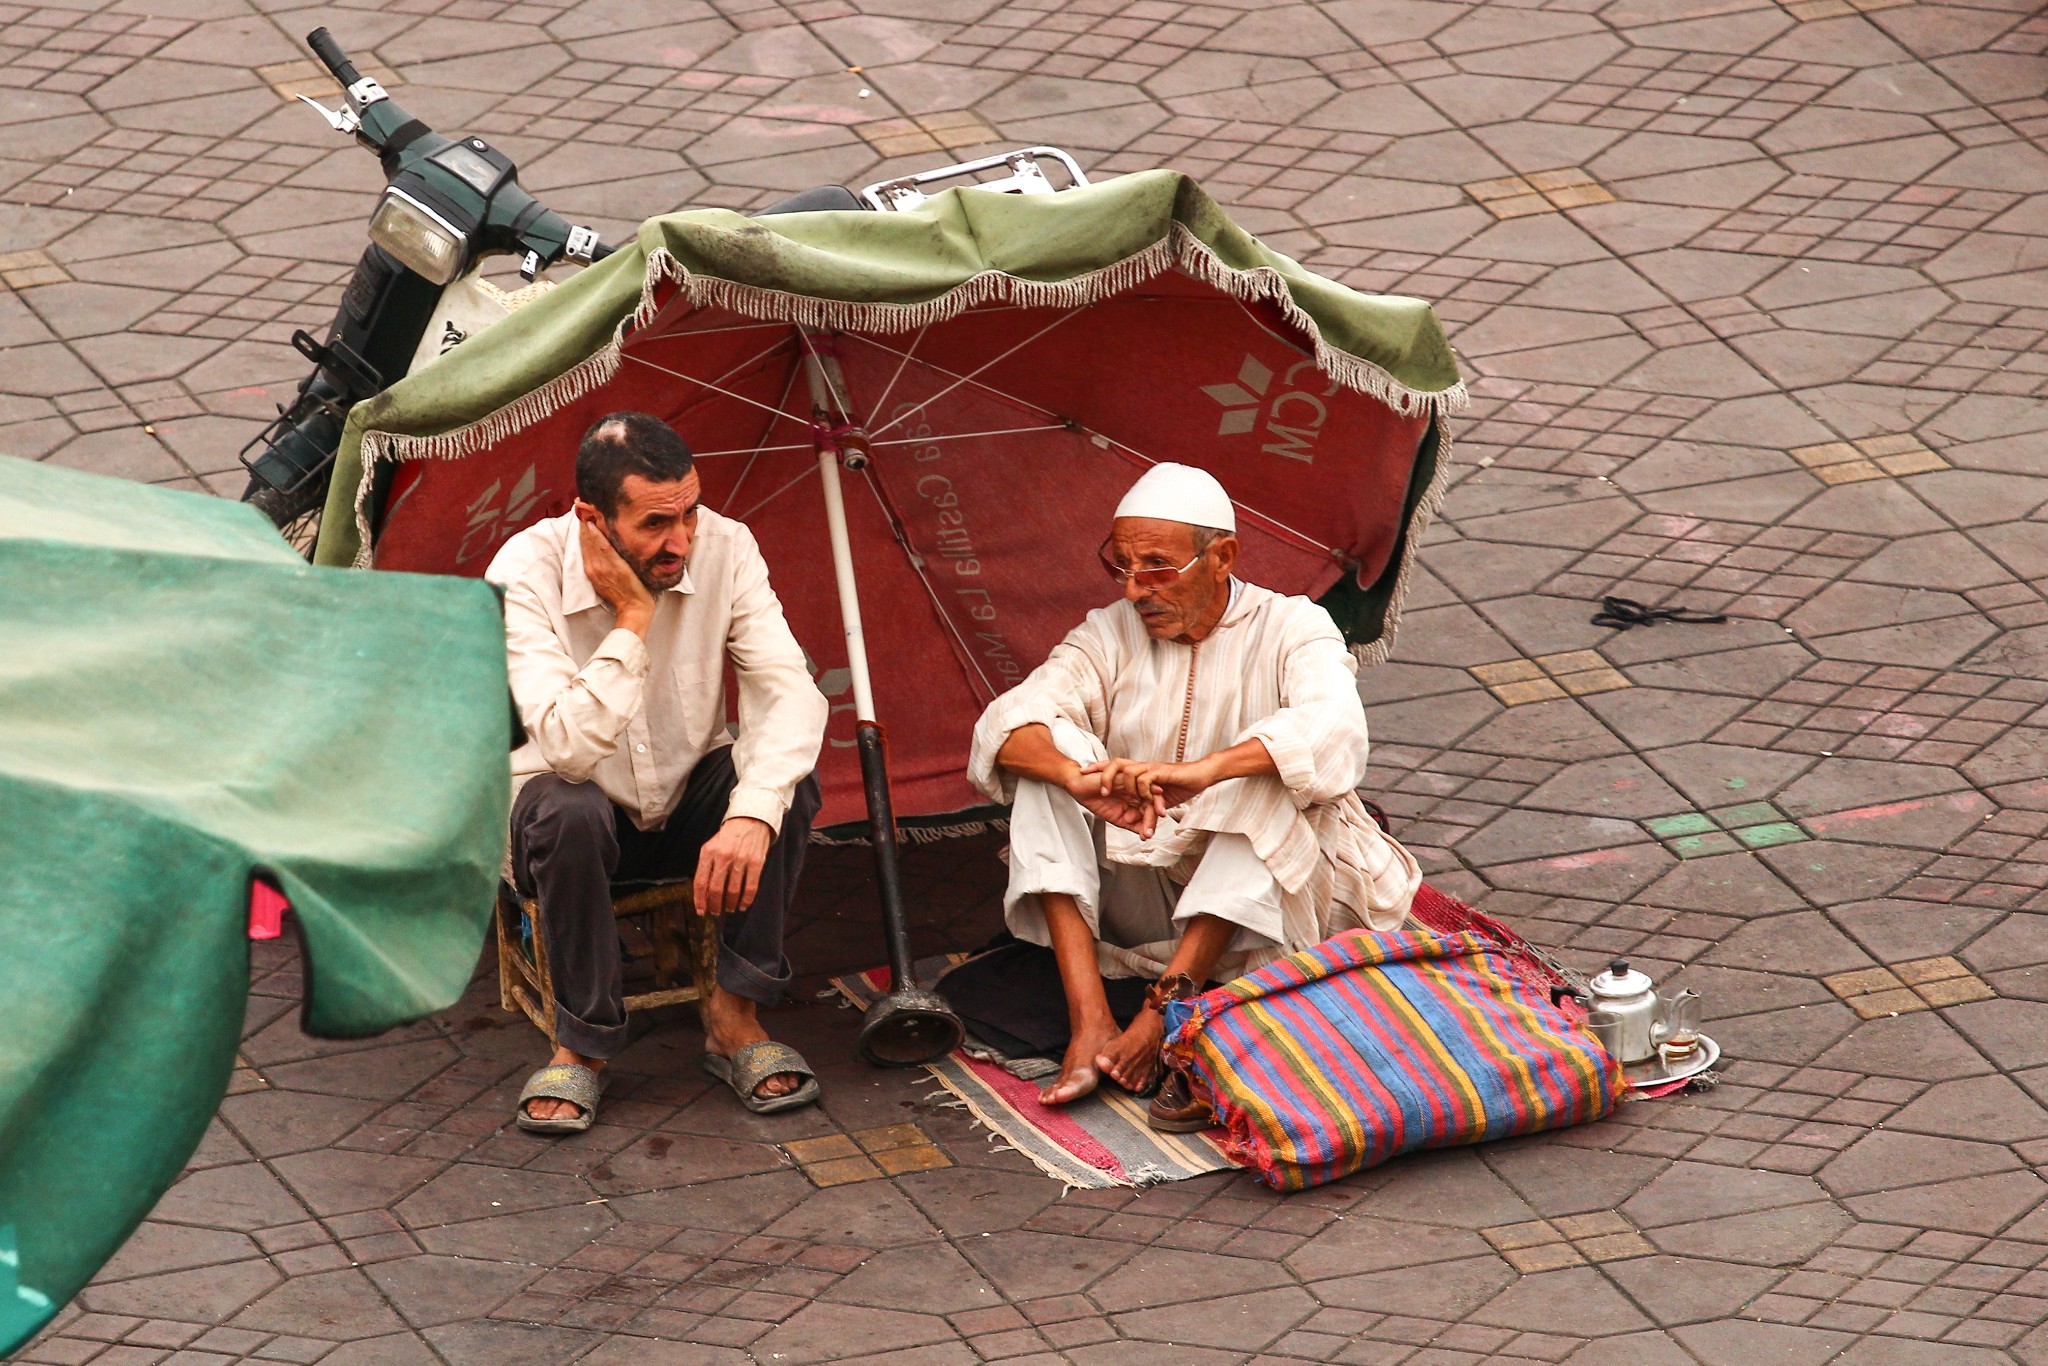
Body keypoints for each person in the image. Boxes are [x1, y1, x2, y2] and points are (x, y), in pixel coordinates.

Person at [960, 462, 1421, 1128]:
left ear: (1223, 558)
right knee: (1048, 767)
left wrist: (1206, 772)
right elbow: (1006, 723)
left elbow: (1335, 730)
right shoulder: (1110, 632)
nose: (1136, 587)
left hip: (1280, 904)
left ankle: (1159, 1018)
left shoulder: (1294, 627)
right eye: (1122, 566)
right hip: (1147, 891)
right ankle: (1089, 1022)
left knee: (1264, 779)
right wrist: (1077, 780)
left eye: (1157, 566)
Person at [488, 412, 830, 1133]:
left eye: (690, 513)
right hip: (566, 824)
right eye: (655, 524)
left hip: (680, 800)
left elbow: (790, 691)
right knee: (568, 805)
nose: (682, 541)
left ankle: (733, 1014)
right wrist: (633, 617)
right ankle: (582, 1045)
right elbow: (569, 747)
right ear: (592, 518)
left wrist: (750, 811)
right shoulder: (522, 575)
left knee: (784, 784)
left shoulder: (728, 548)